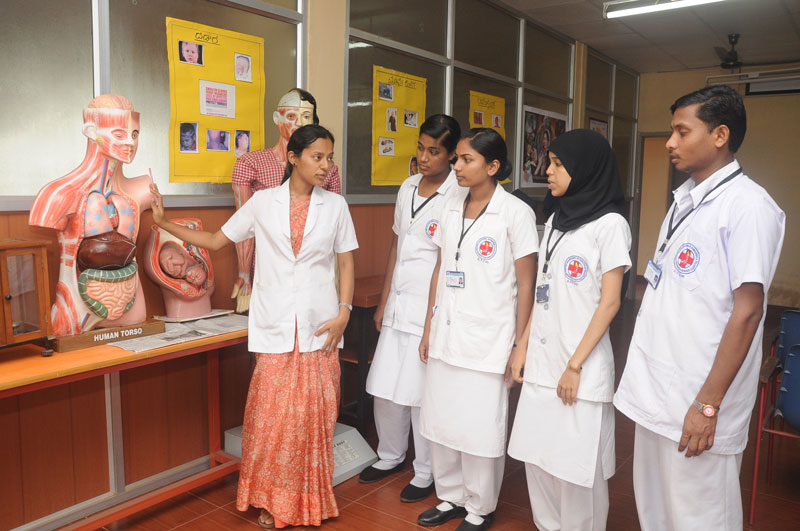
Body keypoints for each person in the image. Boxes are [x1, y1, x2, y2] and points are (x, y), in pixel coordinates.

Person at [150, 124, 357, 529]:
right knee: (273, 418)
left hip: (321, 326)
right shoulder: (263, 202)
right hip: (276, 325)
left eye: (329, 157)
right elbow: (212, 240)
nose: (325, 165)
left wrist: (345, 310)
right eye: (317, 156)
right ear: (293, 157)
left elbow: (346, 261)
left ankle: (310, 500)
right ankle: (271, 499)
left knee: (314, 419)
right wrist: (163, 222)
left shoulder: (336, 206)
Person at [614, 85, 785, 530]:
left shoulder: (748, 207)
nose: (671, 142)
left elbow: (748, 312)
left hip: (699, 394)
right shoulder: (684, 200)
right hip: (659, 388)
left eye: (681, 131)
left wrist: (707, 406)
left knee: (699, 515)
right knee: (655, 507)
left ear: (720, 135)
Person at [506, 129, 631, 531]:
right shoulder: (557, 217)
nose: (548, 171)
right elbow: (543, 291)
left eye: (559, 164)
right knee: (537, 458)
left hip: (579, 365)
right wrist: (521, 346)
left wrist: (575, 366)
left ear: (585, 169)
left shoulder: (610, 225)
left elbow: (610, 302)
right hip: (542, 358)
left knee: (577, 470)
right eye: (550, 162)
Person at [416, 128, 538, 531]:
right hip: (447, 331)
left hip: (488, 337)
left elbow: (526, 286)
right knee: (442, 421)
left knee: (480, 426)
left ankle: (480, 506)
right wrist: (428, 326)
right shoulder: (451, 203)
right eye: (458, 159)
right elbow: (439, 267)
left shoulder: (516, 213)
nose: (457, 166)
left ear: (494, 166)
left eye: (466, 159)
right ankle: (450, 496)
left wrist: (520, 344)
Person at [360, 114, 462, 503]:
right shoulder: (407, 188)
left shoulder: (457, 195)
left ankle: (426, 471)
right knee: (385, 387)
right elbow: (396, 247)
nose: (424, 157)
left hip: (429, 308)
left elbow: (446, 261)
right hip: (399, 303)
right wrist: (384, 301)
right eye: (420, 148)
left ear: (452, 156)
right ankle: (389, 455)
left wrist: (434, 319)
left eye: (434, 151)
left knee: (421, 394)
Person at [29, 94, 152, 335]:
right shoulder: (57, 194)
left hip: (131, 302)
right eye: (119, 134)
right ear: (91, 131)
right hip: (77, 306)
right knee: (95, 201)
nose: (129, 142)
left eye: (135, 134)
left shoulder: (143, 189)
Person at [231, 88, 342, 313]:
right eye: (291, 116)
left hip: (314, 272)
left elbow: (336, 233)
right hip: (270, 271)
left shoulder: (327, 169)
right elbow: (243, 227)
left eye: (306, 117)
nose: (298, 124)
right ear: (277, 118)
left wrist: (338, 289)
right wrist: (244, 274)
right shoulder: (251, 163)